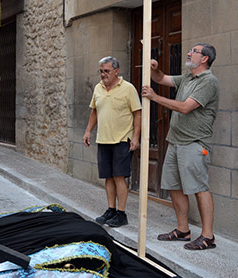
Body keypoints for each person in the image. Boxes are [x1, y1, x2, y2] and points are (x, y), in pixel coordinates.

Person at [141, 43, 219, 251]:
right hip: (175, 142)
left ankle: (208, 236)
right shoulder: (187, 78)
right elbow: (160, 78)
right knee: (174, 186)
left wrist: (155, 98)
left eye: (194, 51)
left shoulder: (209, 81)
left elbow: (185, 108)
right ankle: (183, 230)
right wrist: (155, 68)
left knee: (199, 188)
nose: (189, 53)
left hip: (194, 143)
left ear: (204, 59)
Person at [83, 56, 141, 228]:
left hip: (122, 138)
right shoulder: (98, 88)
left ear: (117, 71)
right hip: (103, 138)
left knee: (119, 176)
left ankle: (121, 214)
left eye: (106, 71)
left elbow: (137, 113)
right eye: (101, 71)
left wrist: (136, 137)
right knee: (108, 176)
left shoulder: (128, 88)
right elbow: (94, 111)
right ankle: (111, 209)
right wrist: (88, 131)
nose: (103, 75)